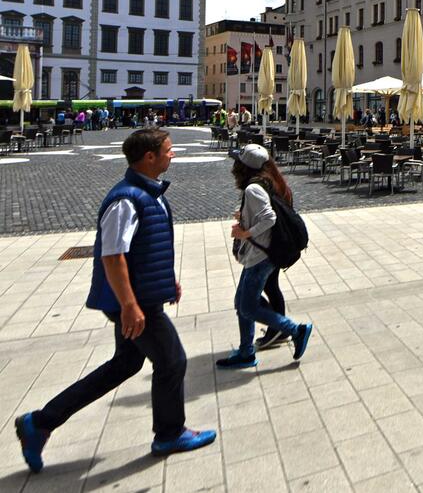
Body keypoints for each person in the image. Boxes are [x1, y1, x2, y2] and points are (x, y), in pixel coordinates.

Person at [14, 130, 216, 472]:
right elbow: (113, 255)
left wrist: (168, 282)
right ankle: (169, 433)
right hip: (134, 303)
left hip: (139, 296)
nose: (173, 156)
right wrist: (129, 305)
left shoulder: (147, 193)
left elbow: (145, 249)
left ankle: (41, 422)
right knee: (172, 361)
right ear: (149, 157)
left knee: (125, 364)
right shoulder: (126, 200)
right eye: (168, 151)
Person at [216, 145, 313, 369]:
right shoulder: (270, 181)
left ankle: (294, 330)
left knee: (247, 306)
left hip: (261, 255)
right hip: (266, 251)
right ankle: (246, 350)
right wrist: (245, 216)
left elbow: (269, 217)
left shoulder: (253, 189)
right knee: (242, 303)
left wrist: (245, 232)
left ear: (243, 166)